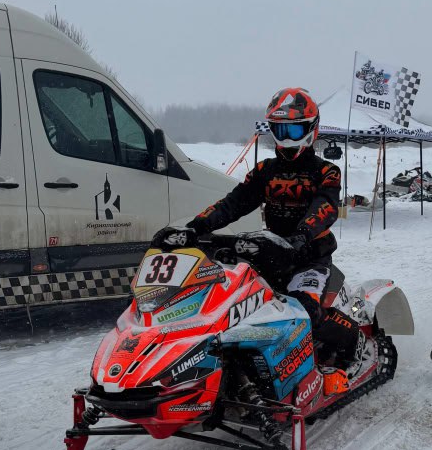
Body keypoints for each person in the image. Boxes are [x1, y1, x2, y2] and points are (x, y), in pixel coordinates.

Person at [151, 87, 364, 390]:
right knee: (232, 310)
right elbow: (232, 204)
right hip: (267, 255)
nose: (286, 138)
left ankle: (351, 349)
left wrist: (302, 235)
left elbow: (326, 206)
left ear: (310, 130)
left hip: (310, 257)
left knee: (304, 310)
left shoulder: (326, 171)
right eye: (280, 130)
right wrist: (195, 228)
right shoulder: (264, 170)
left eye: (293, 130)